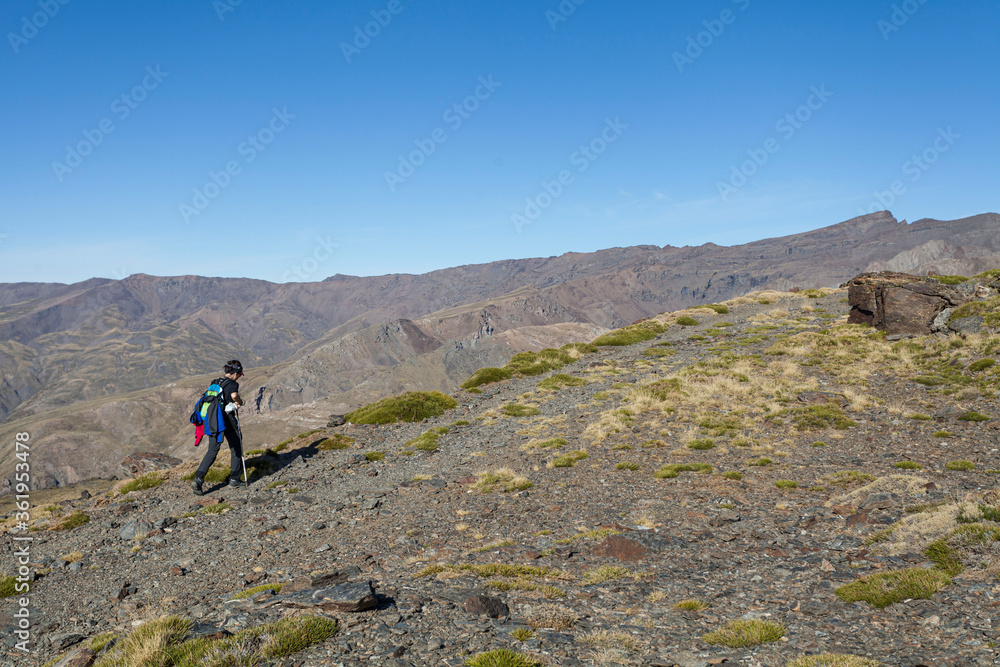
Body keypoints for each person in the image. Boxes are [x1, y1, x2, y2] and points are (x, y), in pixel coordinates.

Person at [192, 360, 247, 495]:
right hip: (226, 419)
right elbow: (234, 395)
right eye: (239, 374)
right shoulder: (233, 384)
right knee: (236, 445)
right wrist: (240, 402)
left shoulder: (215, 382)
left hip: (212, 419)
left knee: (212, 450)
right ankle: (234, 479)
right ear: (235, 373)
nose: (239, 377)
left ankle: (198, 479)